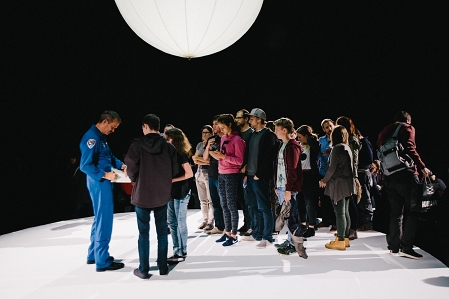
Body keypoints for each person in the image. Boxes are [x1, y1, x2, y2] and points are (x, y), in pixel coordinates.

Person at [124, 114, 179, 279]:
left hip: (142, 194)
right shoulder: (169, 147)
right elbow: (175, 170)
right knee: (162, 232)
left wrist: (135, 179)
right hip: (162, 194)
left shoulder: (137, 146)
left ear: (145, 126)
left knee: (144, 233)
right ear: (159, 127)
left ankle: (144, 270)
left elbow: (131, 168)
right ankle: (163, 267)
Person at [377, 110, 431, 259]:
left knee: (396, 213)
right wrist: (422, 166)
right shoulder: (407, 128)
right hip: (405, 174)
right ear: (407, 119)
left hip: (389, 176)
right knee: (414, 210)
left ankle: (394, 247)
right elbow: (409, 146)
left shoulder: (384, 132)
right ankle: (406, 247)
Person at [79, 110, 126, 272]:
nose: (112, 131)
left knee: (99, 218)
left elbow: (109, 156)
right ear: (105, 121)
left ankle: (93, 255)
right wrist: (106, 174)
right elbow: (85, 165)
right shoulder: (91, 138)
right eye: (112, 127)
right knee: (104, 219)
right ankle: (102, 260)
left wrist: (121, 165)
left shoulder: (101, 137)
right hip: (99, 182)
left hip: (103, 181)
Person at [242, 108, 278, 249]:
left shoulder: (268, 135)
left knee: (264, 206)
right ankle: (256, 233)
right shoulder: (252, 135)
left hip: (259, 177)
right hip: (250, 176)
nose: (249, 120)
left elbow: (269, 157)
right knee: (254, 206)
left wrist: (259, 174)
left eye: (251, 118)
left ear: (259, 119)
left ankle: (267, 237)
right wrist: (246, 173)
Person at [209, 114, 246, 246]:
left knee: (231, 205)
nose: (221, 130)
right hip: (221, 173)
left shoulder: (237, 140)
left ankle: (234, 234)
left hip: (232, 174)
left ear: (230, 125)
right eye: (220, 127)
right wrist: (216, 155)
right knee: (223, 204)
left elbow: (239, 161)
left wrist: (223, 156)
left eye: (223, 127)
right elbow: (222, 156)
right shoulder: (223, 138)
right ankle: (227, 231)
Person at [272, 117, 307, 257]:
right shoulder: (284, 145)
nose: (275, 132)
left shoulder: (292, 147)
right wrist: (277, 185)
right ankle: (290, 242)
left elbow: (292, 170)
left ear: (284, 130)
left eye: (277, 129)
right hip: (282, 186)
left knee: (292, 218)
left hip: (288, 188)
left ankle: (294, 246)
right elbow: (280, 168)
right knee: (289, 218)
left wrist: (288, 189)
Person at [320, 125, 356, 250]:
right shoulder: (347, 147)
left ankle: (340, 240)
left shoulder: (336, 148)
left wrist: (324, 181)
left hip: (339, 184)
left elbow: (331, 168)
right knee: (345, 212)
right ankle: (344, 238)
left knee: (339, 213)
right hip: (348, 184)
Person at [164, 127, 194, 263]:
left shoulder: (181, 154)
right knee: (172, 222)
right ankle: (177, 250)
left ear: (172, 139)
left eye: (166, 138)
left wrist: (172, 180)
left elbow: (189, 173)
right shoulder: (169, 154)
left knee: (180, 222)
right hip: (171, 192)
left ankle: (182, 250)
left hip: (181, 191)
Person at [336, 116, 362, 240]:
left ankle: (353, 230)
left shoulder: (352, 140)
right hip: (344, 176)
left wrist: (353, 176)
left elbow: (354, 160)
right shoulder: (344, 141)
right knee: (345, 205)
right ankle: (345, 230)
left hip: (350, 176)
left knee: (350, 204)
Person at [296, 125, 320, 238]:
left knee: (309, 202)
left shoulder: (312, 144)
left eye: (300, 137)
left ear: (306, 136)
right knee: (300, 201)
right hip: (300, 175)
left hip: (310, 175)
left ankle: (311, 227)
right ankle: (302, 225)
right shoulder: (300, 146)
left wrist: (310, 138)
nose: (298, 139)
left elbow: (316, 147)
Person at [204, 115, 225, 235]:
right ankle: (219, 226)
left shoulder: (227, 138)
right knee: (215, 202)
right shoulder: (212, 139)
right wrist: (208, 147)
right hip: (211, 173)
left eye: (216, 124)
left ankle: (228, 226)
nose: (214, 127)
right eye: (213, 124)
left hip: (223, 173)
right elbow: (206, 158)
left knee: (224, 202)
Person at [234, 109, 254, 235]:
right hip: (235, 171)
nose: (237, 120)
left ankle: (252, 225)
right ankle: (247, 223)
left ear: (246, 119)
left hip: (246, 172)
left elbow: (253, 153)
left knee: (248, 200)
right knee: (241, 199)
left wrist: (246, 167)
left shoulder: (251, 134)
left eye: (239, 117)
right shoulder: (236, 134)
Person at [192, 125, 214, 230]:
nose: (204, 135)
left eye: (206, 132)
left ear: (211, 134)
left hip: (208, 173)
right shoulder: (199, 145)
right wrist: (201, 160)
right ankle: (205, 220)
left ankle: (210, 221)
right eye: (203, 132)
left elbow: (210, 161)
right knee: (202, 200)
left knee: (210, 200)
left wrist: (200, 159)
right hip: (199, 173)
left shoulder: (212, 145)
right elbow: (195, 159)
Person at [317, 119, 336, 232]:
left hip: (334, 173)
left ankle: (335, 223)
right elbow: (318, 155)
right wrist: (323, 154)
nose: (329, 129)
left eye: (330, 126)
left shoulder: (338, 138)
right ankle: (325, 220)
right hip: (323, 172)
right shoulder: (321, 140)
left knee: (334, 199)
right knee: (324, 198)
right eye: (326, 127)